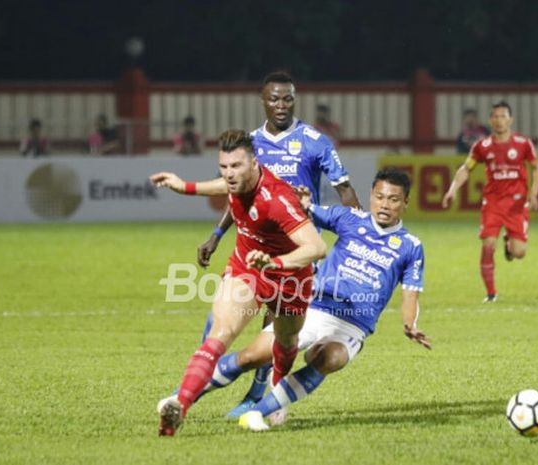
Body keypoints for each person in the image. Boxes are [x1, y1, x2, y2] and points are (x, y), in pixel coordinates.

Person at [157, 168, 432, 430]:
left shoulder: (411, 246)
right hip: (313, 308)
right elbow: (305, 213)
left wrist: (410, 324)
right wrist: (304, 204)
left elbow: (410, 294)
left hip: (353, 325)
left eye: (393, 199)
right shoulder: (350, 219)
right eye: (380, 197)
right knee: (252, 356)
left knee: (330, 358)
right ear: (371, 196)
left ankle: (259, 411)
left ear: (405, 202)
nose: (384, 204)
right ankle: (182, 399)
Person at [196, 71, 361, 416]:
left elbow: (344, 189)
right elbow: (236, 193)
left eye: (288, 98)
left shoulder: (316, 141)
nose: (281, 105)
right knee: (226, 318)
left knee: (274, 329)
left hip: (296, 251)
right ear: (263, 101)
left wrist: (360, 234)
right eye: (275, 98)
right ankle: (210, 380)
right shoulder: (251, 144)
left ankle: (259, 396)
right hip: (254, 246)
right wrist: (216, 234)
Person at [149, 129, 327, 436]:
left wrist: (275, 263)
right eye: (225, 166)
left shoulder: (278, 199)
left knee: (286, 344)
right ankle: (181, 405)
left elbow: (316, 248)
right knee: (220, 333)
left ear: (255, 164)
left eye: (237, 166)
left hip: (290, 280)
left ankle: (276, 395)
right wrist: (184, 186)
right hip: (247, 270)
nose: (229, 174)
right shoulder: (236, 182)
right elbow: (225, 188)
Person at [442, 101, 538, 302]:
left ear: (510, 119)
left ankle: (509, 243)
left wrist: (534, 192)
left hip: (516, 204)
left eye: (503, 116)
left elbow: (537, 167)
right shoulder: (482, 146)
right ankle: (491, 293)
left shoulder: (523, 143)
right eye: (495, 117)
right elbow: (466, 168)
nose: (499, 120)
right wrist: (452, 189)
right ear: (490, 120)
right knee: (488, 244)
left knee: (519, 252)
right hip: (493, 203)